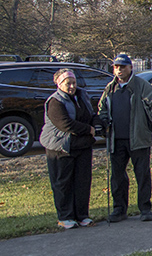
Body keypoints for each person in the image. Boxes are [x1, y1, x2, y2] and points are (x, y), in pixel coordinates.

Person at [99, 54, 152, 223]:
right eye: (116, 67)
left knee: (142, 175)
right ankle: (119, 209)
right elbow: (102, 108)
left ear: (130, 68)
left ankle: (145, 209)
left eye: (123, 67)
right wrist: (102, 123)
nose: (119, 70)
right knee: (117, 177)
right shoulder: (110, 88)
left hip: (138, 138)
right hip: (116, 140)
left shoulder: (141, 86)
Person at [39, 68, 100, 229]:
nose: (72, 86)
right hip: (61, 148)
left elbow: (90, 115)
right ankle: (65, 217)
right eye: (68, 84)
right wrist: (88, 130)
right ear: (59, 84)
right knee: (63, 183)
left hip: (82, 147)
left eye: (74, 83)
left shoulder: (82, 96)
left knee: (82, 182)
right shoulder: (55, 101)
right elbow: (65, 124)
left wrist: (98, 123)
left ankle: (82, 215)